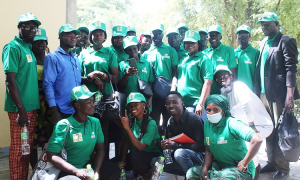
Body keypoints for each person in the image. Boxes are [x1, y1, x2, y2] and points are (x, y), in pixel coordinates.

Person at [254, 12, 299, 179]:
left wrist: (290, 94)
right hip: (264, 94)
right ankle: (272, 162)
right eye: (262, 24)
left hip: (279, 94)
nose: (264, 26)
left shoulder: (286, 41)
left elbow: (291, 68)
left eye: (267, 23)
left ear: (276, 24)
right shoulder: (263, 43)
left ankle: (283, 168)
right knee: (268, 129)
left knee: (281, 130)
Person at [47, 85, 120, 180]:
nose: (93, 104)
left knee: (114, 170)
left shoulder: (95, 122)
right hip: (67, 171)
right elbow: (52, 155)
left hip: (87, 167)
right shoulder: (64, 125)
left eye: (93, 101)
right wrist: (75, 171)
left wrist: (96, 172)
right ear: (77, 105)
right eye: (88, 102)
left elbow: (100, 149)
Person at [214, 65, 273, 180]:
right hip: (245, 127)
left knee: (249, 147)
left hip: (259, 125)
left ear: (231, 76)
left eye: (224, 76)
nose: (222, 79)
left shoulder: (239, 86)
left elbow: (246, 105)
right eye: (218, 78)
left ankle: (254, 175)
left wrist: (252, 126)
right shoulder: (224, 92)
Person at [2, 12, 41, 180]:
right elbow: (10, 81)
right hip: (21, 110)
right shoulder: (12, 47)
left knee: (26, 150)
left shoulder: (27, 48)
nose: (32, 30)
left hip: (31, 108)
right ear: (19, 27)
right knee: (19, 152)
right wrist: (21, 110)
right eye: (27, 27)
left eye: (35, 27)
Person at [186, 94, 263, 180]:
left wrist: (244, 163)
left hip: (239, 168)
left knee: (217, 178)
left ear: (223, 110)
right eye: (208, 110)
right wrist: (204, 170)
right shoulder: (207, 124)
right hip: (219, 165)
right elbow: (208, 150)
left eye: (216, 110)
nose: (212, 113)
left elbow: (257, 140)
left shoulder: (232, 123)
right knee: (191, 173)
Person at [79, 21, 119, 160]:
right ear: (91, 36)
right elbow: (78, 77)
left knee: (103, 131)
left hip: (105, 98)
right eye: (94, 34)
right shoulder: (84, 53)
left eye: (100, 34)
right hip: (87, 98)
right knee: (87, 130)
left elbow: (116, 78)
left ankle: (104, 162)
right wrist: (91, 78)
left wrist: (102, 75)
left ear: (104, 36)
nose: (97, 36)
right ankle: (88, 161)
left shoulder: (110, 53)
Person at [141, 23, 178, 131]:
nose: (156, 35)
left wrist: (173, 90)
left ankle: (169, 146)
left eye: (159, 33)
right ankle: (156, 146)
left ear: (162, 34)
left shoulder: (171, 51)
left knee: (169, 123)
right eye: (154, 33)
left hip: (168, 94)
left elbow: (175, 72)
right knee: (153, 123)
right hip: (153, 96)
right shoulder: (146, 54)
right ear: (151, 34)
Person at [43, 23, 82, 124]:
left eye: (74, 36)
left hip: (76, 109)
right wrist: (54, 110)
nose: (73, 38)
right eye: (69, 36)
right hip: (61, 110)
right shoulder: (52, 58)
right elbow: (48, 84)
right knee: (60, 139)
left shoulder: (75, 59)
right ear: (60, 36)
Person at [118, 92, 161, 180]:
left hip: (151, 156)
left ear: (144, 105)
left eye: (136, 104)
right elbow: (127, 141)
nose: (133, 108)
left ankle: (147, 175)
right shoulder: (131, 120)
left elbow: (140, 147)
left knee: (135, 158)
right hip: (136, 156)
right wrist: (123, 160)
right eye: (130, 106)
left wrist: (128, 129)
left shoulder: (151, 123)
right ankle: (137, 172)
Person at [161, 91, 205, 176]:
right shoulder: (170, 121)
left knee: (179, 153)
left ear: (182, 103)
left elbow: (202, 146)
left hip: (199, 156)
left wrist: (177, 145)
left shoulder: (194, 119)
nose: (171, 105)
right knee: (156, 161)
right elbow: (172, 144)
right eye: (168, 103)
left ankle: (193, 177)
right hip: (182, 156)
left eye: (174, 102)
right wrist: (166, 145)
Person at [30, 27, 53, 169]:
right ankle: (35, 170)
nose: (40, 44)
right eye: (37, 41)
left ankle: (47, 167)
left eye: (43, 41)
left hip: (48, 101)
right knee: (33, 138)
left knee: (49, 136)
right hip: (33, 101)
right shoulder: (28, 59)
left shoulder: (50, 59)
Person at [177, 30, 213, 120]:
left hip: (195, 104)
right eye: (187, 42)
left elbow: (208, 82)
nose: (190, 44)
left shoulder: (204, 59)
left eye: (193, 42)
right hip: (182, 104)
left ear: (198, 44)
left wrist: (200, 104)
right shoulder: (183, 59)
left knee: (197, 132)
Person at [119, 36, 154, 107]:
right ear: (125, 51)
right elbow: (120, 86)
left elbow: (151, 83)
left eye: (134, 48)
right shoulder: (122, 64)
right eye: (129, 49)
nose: (132, 51)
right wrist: (126, 75)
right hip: (129, 101)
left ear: (138, 47)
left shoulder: (146, 63)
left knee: (145, 118)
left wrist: (150, 98)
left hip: (144, 100)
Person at [205, 24, 237, 94]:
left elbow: (233, 71)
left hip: (225, 91)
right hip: (208, 91)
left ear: (221, 37)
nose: (213, 36)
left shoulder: (228, 50)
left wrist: (232, 90)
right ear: (207, 37)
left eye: (216, 34)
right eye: (211, 35)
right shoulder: (204, 53)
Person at [235, 25, 259, 91]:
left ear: (249, 36)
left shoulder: (256, 53)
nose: (242, 36)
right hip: (237, 91)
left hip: (252, 91)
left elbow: (258, 74)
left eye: (245, 34)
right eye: (239, 34)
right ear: (237, 37)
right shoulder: (234, 53)